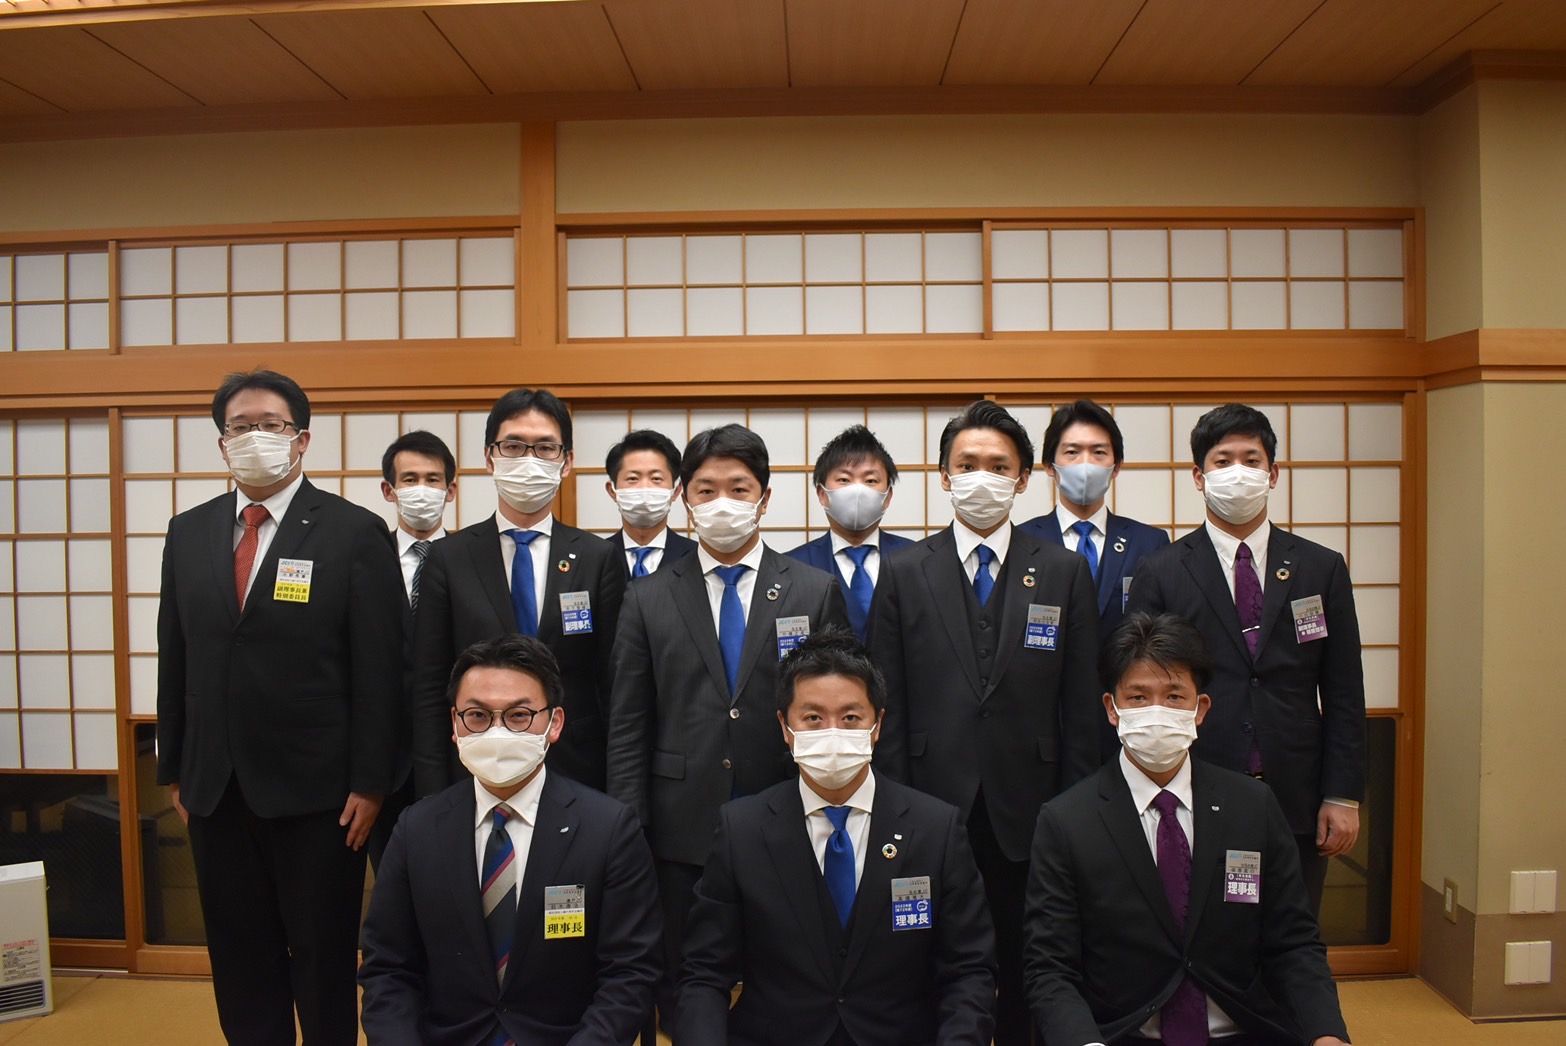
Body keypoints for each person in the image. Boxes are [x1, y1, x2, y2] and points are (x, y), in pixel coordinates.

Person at [156, 369, 405, 1045]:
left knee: (322, 957)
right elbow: (175, 655)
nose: (255, 437)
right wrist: (174, 768)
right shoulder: (188, 532)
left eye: (271, 425)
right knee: (239, 957)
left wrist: (372, 782)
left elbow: (381, 668)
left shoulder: (354, 532)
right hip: (214, 788)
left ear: (302, 439)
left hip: (321, 793)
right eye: (240, 427)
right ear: (221, 443)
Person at [867, 398, 1100, 1046]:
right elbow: (887, 704)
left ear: (1023, 479)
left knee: (1029, 961)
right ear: (944, 476)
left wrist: (1078, 810)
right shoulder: (904, 571)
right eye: (967, 464)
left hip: (1032, 807)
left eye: (999, 466)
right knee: (926, 956)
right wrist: (894, 805)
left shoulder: (1063, 571)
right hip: (928, 801)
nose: (982, 478)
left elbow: (1082, 707)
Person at [606, 422, 851, 1027]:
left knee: (788, 978)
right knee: (688, 981)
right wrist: (630, 828)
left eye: (739, 489)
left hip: (787, 812)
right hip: (680, 824)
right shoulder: (647, 596)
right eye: (706, 489)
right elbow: (629, 724)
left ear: (764, 498)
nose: (723, 503)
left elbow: (838, 712)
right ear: (685, 498)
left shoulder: (813, 590)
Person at [1022, 611, 1351, 1046]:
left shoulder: (1253, 806)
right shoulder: (1067, 821)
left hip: (1241, 1031)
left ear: (1201, 709)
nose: (1157, 711)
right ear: (1112, 709)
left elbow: (1294, 943)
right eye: (1138, 697)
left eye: (1175, 696)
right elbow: (1050, 969)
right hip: (1124, 1036)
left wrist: (1327, 1033)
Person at [677, 626, 998, 1045]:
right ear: (785, 726)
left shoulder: (935, 829)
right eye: (813, 718)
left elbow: (968, 971)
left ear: (877, 725)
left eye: (850, 718)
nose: (832, 732)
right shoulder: (742, 830)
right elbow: (704, 973)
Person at [360, 634, 662, 1046]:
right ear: (454, 724)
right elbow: (388, 970)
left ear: (554, 723)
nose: (497, 731)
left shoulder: (609, 830)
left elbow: (630, 973)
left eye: (519, 716)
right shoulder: (417, 830)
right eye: (478, 716)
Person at [1125, 403, 1365, 912]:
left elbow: (1344, 690)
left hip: (1298, 792)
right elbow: (1140, 689)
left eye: (1251, 460)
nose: (1238, 472)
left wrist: (1342, 795)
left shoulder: (1320, 568)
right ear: (1199, 476)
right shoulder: (1162, 571)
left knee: (1293, 926)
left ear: (1273, 474)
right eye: (1222, 460)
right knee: (1208, 926)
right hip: (1197, 784)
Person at [411, 388, 623, 794]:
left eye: (545, 448)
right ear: (489, 457)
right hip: (473, 763)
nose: (529, 460)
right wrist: (432, 788)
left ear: (566, 462)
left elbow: (612, 683)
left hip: (575, 763)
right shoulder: (448, 557)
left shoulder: (598, 558)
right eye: (513, 446)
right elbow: (428, 684)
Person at [370, 428, 458, 870]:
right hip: (380, 761)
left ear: (451, 490)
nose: (421, 489)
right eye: (409, 479)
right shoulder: (366, 561)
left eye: (432, 479)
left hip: (455, 753)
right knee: (390, 878)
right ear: (389, 490)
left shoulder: (470, 560)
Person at [1018, 399, 1169, 645]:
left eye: (1099, 452)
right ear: (1049, 466)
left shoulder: (1150, 542)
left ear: (1116, 467)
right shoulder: (1021, 541)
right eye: (1072, 452)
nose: (1086, 463)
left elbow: (1161, 629)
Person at [786, 424, 914, 641]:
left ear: (887, 497)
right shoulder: (792, 567)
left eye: (870, 481)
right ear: (822, 494)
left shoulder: (917, 561)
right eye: (844, 480)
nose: (858, 490)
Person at [604, 428, 697, 580]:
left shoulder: (696, 556)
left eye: (656, 479)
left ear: (675, 491)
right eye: (633, 479)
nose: (644, 488)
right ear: (612, 491)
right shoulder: (595, 557)